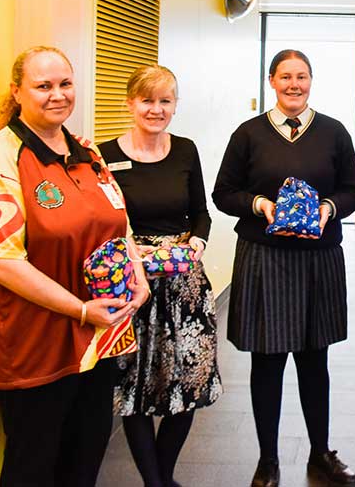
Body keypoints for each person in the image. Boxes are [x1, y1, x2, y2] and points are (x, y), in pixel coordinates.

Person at [0, 46, 150, 487]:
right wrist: (80, 309)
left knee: (86, 457)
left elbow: (118, 222)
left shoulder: (86, 150)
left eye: (65, 84)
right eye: (43, 86)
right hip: (34, 346)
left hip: (97, 340)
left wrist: (137, 276)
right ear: (17, 91)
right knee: (33, 466)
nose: (57, 94)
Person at [212, 49, 355, 487]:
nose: (294, 84)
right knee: (268, 361)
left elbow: (354, 190)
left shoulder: (333, 132)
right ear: (271, 81)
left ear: (311, 81)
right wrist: (259, 204)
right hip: (266, 257)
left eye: (301, 76)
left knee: (315, 359)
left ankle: (321, 453)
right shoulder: (249, 134)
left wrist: (329, 208)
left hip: (319, 257)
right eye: (285, 77)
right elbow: (223, 193)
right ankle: (268, 459)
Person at [98, 65, 222, 487]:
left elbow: (201, 212)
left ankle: (163, 478)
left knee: (189, 384)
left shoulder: (185, 150)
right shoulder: (104, 155)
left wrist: (197, 243)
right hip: (132, 285)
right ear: (130, 103)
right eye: (147, 100)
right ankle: (156, 483)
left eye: (165, 101)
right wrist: (133, 251)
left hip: (184, 285)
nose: (156, 109)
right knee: (134, 389)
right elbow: (102, 219)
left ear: (175, 105)